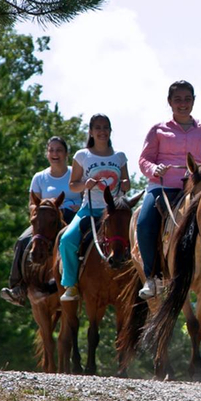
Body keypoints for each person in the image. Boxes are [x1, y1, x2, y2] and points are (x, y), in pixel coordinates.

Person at [136, 80, 201, 299]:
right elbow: (144, 159)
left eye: (187, 99)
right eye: (177, 99)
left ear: (194, 101)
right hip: (163, 187)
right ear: (169, 102)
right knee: (144, 222)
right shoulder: (158, 130)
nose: (183, 104)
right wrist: (154, 168)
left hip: (195, 189)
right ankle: (152, 277)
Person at [0, 136, 82, 307]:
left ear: (66, 153)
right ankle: (18, 287)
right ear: (47, 154)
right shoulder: (39, 177)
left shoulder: (75, 173)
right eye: (51, 150)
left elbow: (87, 197)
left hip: (70, 217)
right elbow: (32, 203)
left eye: (59, 150)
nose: (55, 154)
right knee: (23, 240)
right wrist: (41, 210)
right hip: (45, 220)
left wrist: (78, 206)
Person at [59, 114, 130, 302]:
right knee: (67, 240)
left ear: (110, 130)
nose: (102, 131)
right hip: (90, 209)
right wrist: (85, 185)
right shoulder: (82, 155)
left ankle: (143, 280)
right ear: (91, 131)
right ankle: (71, 284)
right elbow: (73, 185)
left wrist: (124, 184)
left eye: (105, 127)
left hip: (115, 212)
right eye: (97, 128)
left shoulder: (119, 156)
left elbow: (127, 183)